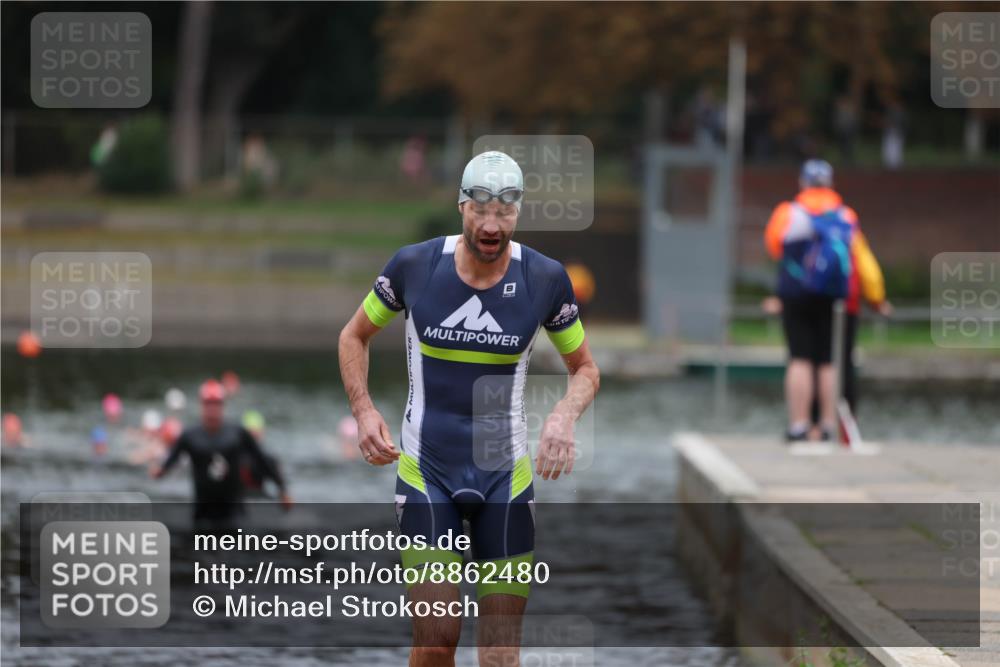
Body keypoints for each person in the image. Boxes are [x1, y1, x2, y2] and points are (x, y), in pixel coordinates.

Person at [338, 150, 600, 667]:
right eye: (480, 209)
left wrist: (563, 417)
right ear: (462, 206)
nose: (491, 224)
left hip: (504, 476)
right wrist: (364, 411)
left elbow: (586, 368)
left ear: (517, 214)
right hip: (425, 470)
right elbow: (354, 336)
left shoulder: (544, 279)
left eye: (504, 212)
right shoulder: (416, 266)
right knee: (438, 637)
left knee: (500, 654)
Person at [764, 159, 891, 442]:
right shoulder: (845, 216)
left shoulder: (789, 212)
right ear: (831, 183)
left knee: (800, 358)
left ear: (803, 182)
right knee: (828, 361)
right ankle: (827, 425)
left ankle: (799, 424)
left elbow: (774, 246)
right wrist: (877, 296)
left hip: (796, 294)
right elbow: (863, 260)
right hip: (834, 297)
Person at [150, 380, 291, 528]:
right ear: (202, 406)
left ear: (223, 405)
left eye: (216, 404)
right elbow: (170, 462)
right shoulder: (190, 436)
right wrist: (158, 471)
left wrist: (282, 490)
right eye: (208, 404)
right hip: (202, 513)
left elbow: (261, 459)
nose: (212, 409)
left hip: (234, 513)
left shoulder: (237, 433)